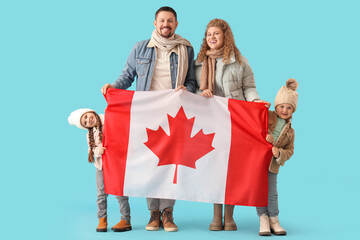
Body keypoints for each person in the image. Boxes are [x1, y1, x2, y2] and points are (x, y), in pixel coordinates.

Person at [101, 6, 197, 232]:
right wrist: (112, 88)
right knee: (151, 162)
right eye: (162, 20)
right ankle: (153, 213)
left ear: (176, 24)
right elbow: (127, 76)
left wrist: (187, 88)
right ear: (155, 23)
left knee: (171, 163)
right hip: (146, 115)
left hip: (174, 114)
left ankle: (167, 213)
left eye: (170, 21)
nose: (166, 24)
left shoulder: (186, 49)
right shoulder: (140, 48)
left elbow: (192, 80)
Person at [195, 18, 270, 231]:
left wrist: (256, 101)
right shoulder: (199, 62)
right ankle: (216, 215)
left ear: (225, 37)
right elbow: (192, 90)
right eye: (209, 34)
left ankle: (229, 216)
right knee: (214, 168)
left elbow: (249, 87)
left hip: (234, 121)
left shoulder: (240, 61)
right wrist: (201, 93)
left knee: (231, 168)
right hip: (209, 122)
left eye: (216, 34)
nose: (212, 38)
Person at [68, 109, 131, 232]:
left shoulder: (108, 120)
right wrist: (98, 151)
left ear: (91, 112)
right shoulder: (90, 134)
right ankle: (102, 220)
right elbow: (91, 150)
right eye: (85, 122)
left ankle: (126, 219)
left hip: (115, 164)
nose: (88, 120)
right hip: (100, 166)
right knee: (101, 194)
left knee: (120, 193)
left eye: (86, 116)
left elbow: (120, 131)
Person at [257, 79, 298, 236]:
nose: (285, 110)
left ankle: (274, 218)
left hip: (273, 164)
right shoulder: (268, 116)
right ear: (276, 106)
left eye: (289, 108)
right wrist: (265, 135)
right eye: (282, 106)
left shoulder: (290, 132)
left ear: (293, 110)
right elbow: (256, 124)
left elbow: (290, 150)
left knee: (272, 191)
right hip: (259, 160)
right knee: (259, 190)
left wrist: (279, 152)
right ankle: (263, 218)